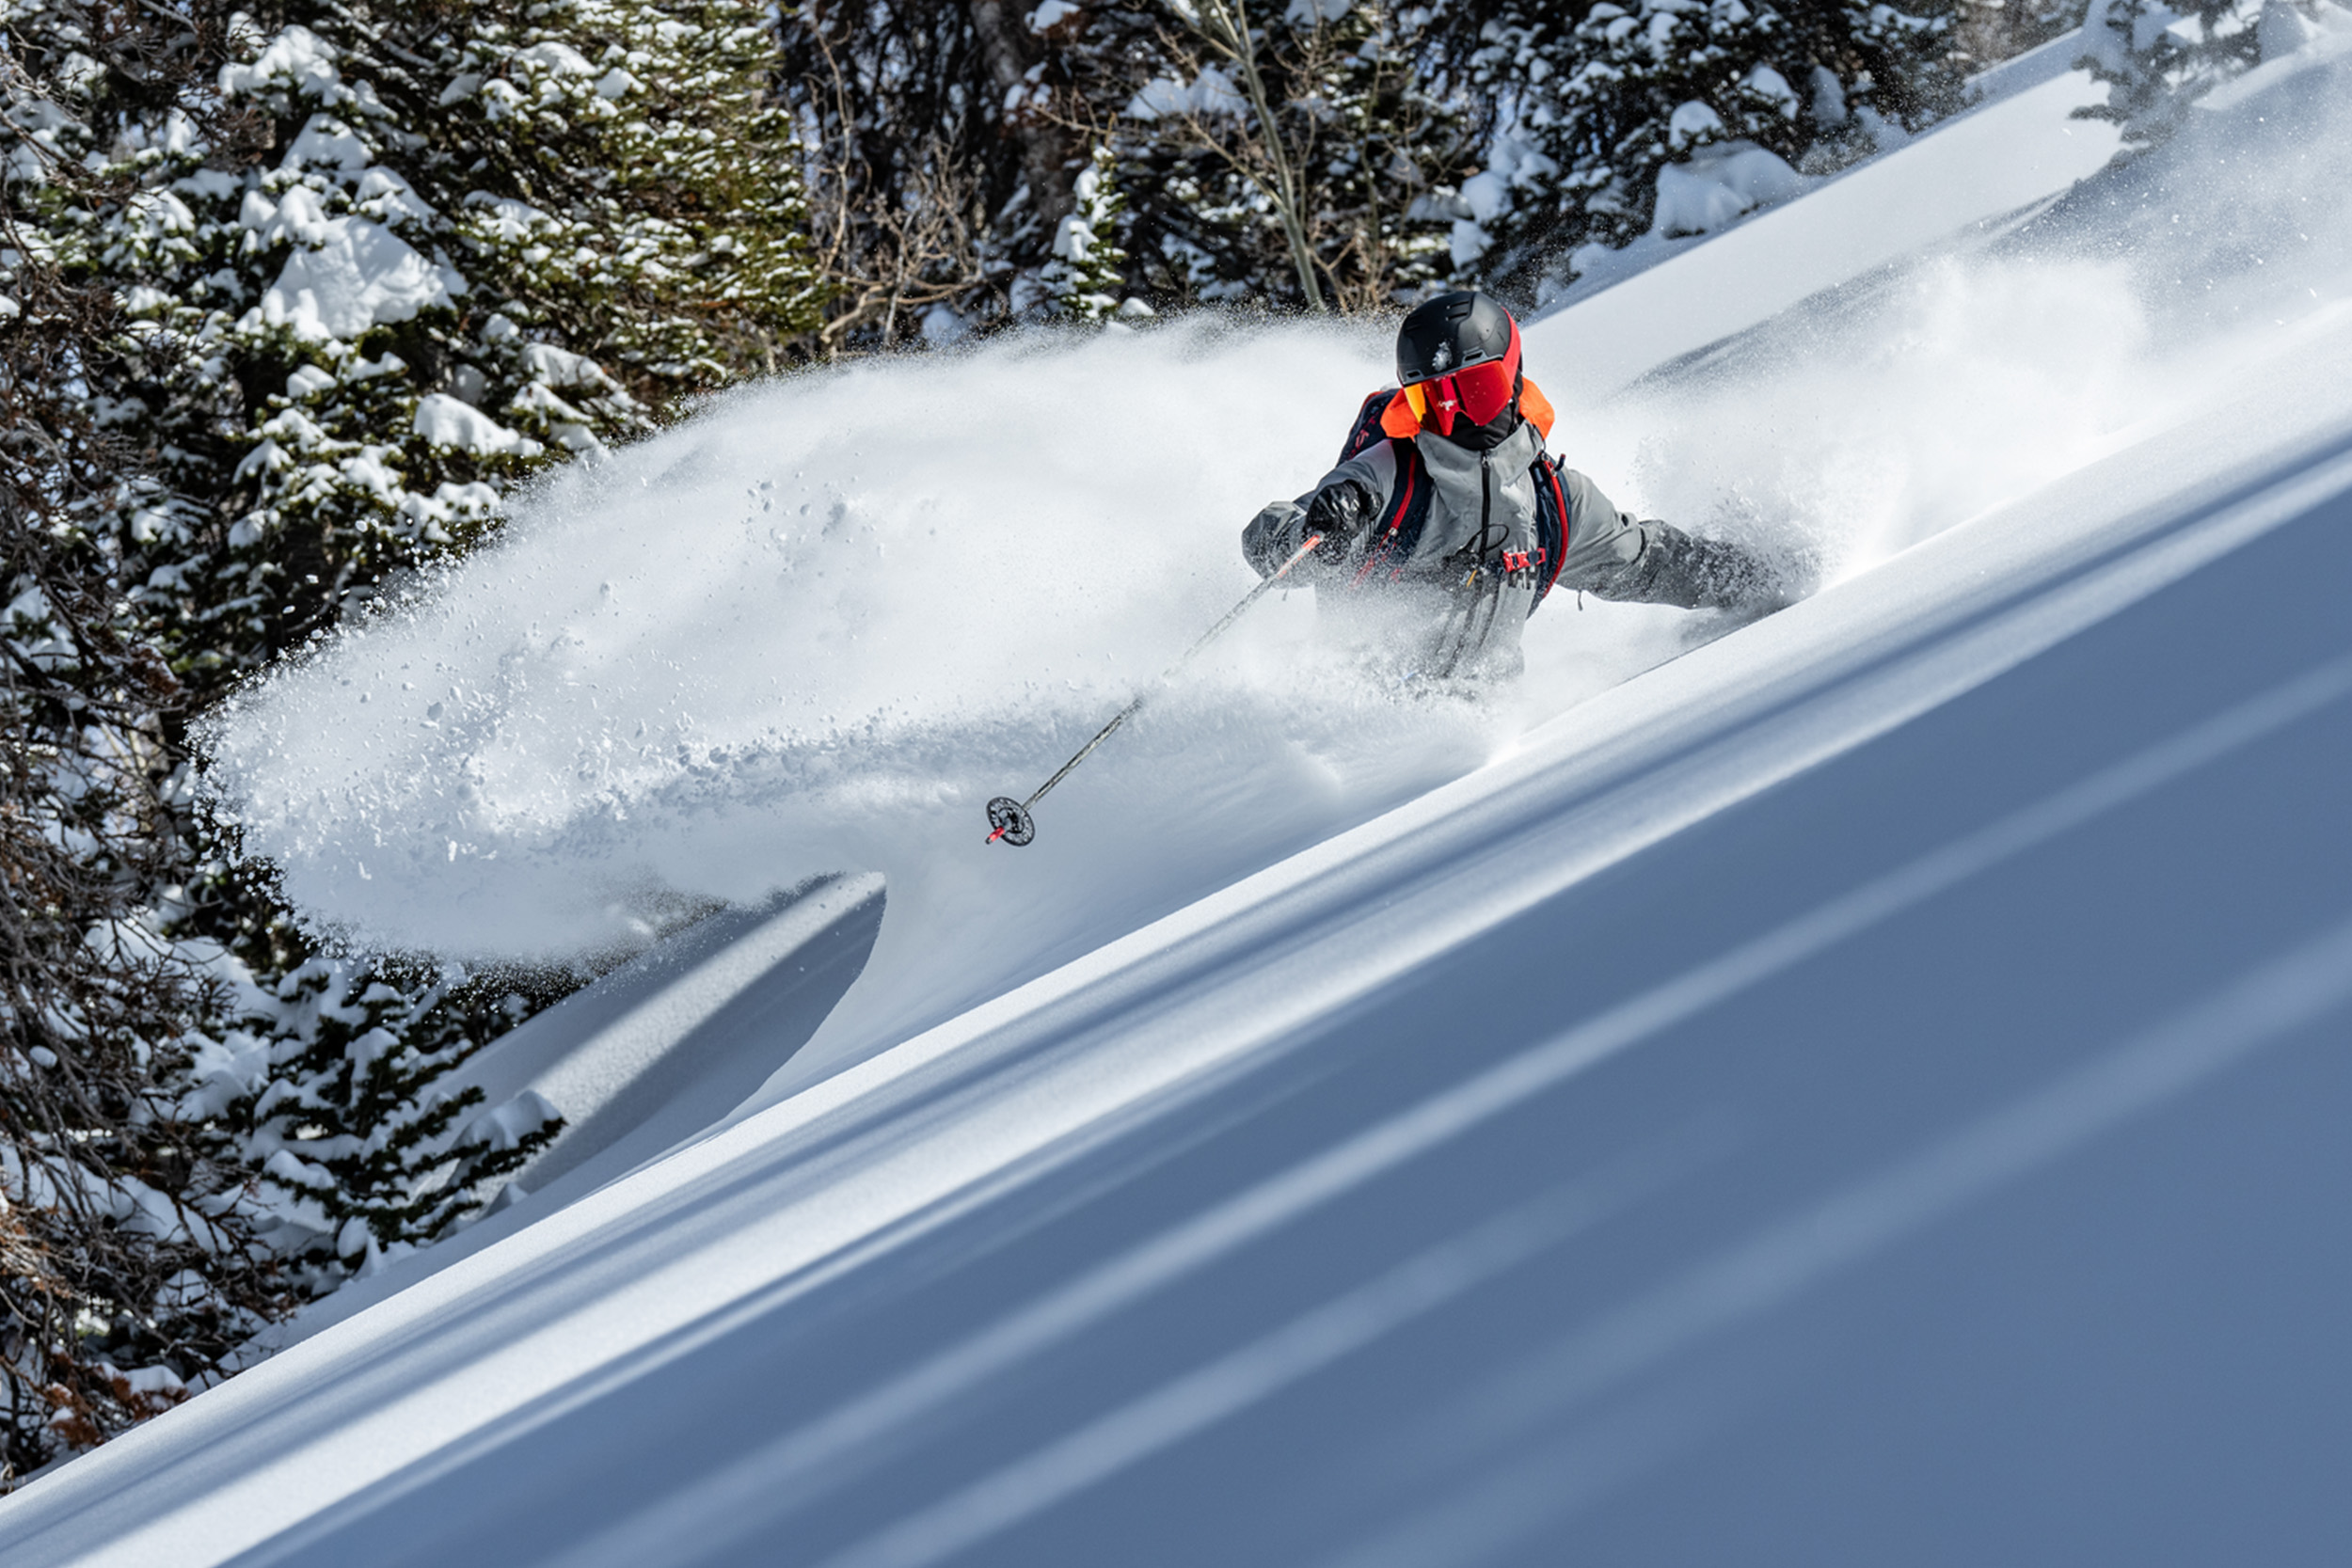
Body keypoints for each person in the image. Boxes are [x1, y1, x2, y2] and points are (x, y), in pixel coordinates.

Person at [1243, 290, 1795, 682]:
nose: (1457, 416)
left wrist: (1760, 578)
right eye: (1431, 399)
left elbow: (1647, 564)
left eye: (1476, 389)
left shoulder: (1557, 505)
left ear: (1512, 378)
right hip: (1356, 711)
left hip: (1479, 750)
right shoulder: (1385, 478)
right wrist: (1317, 525)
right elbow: (1268, 541)